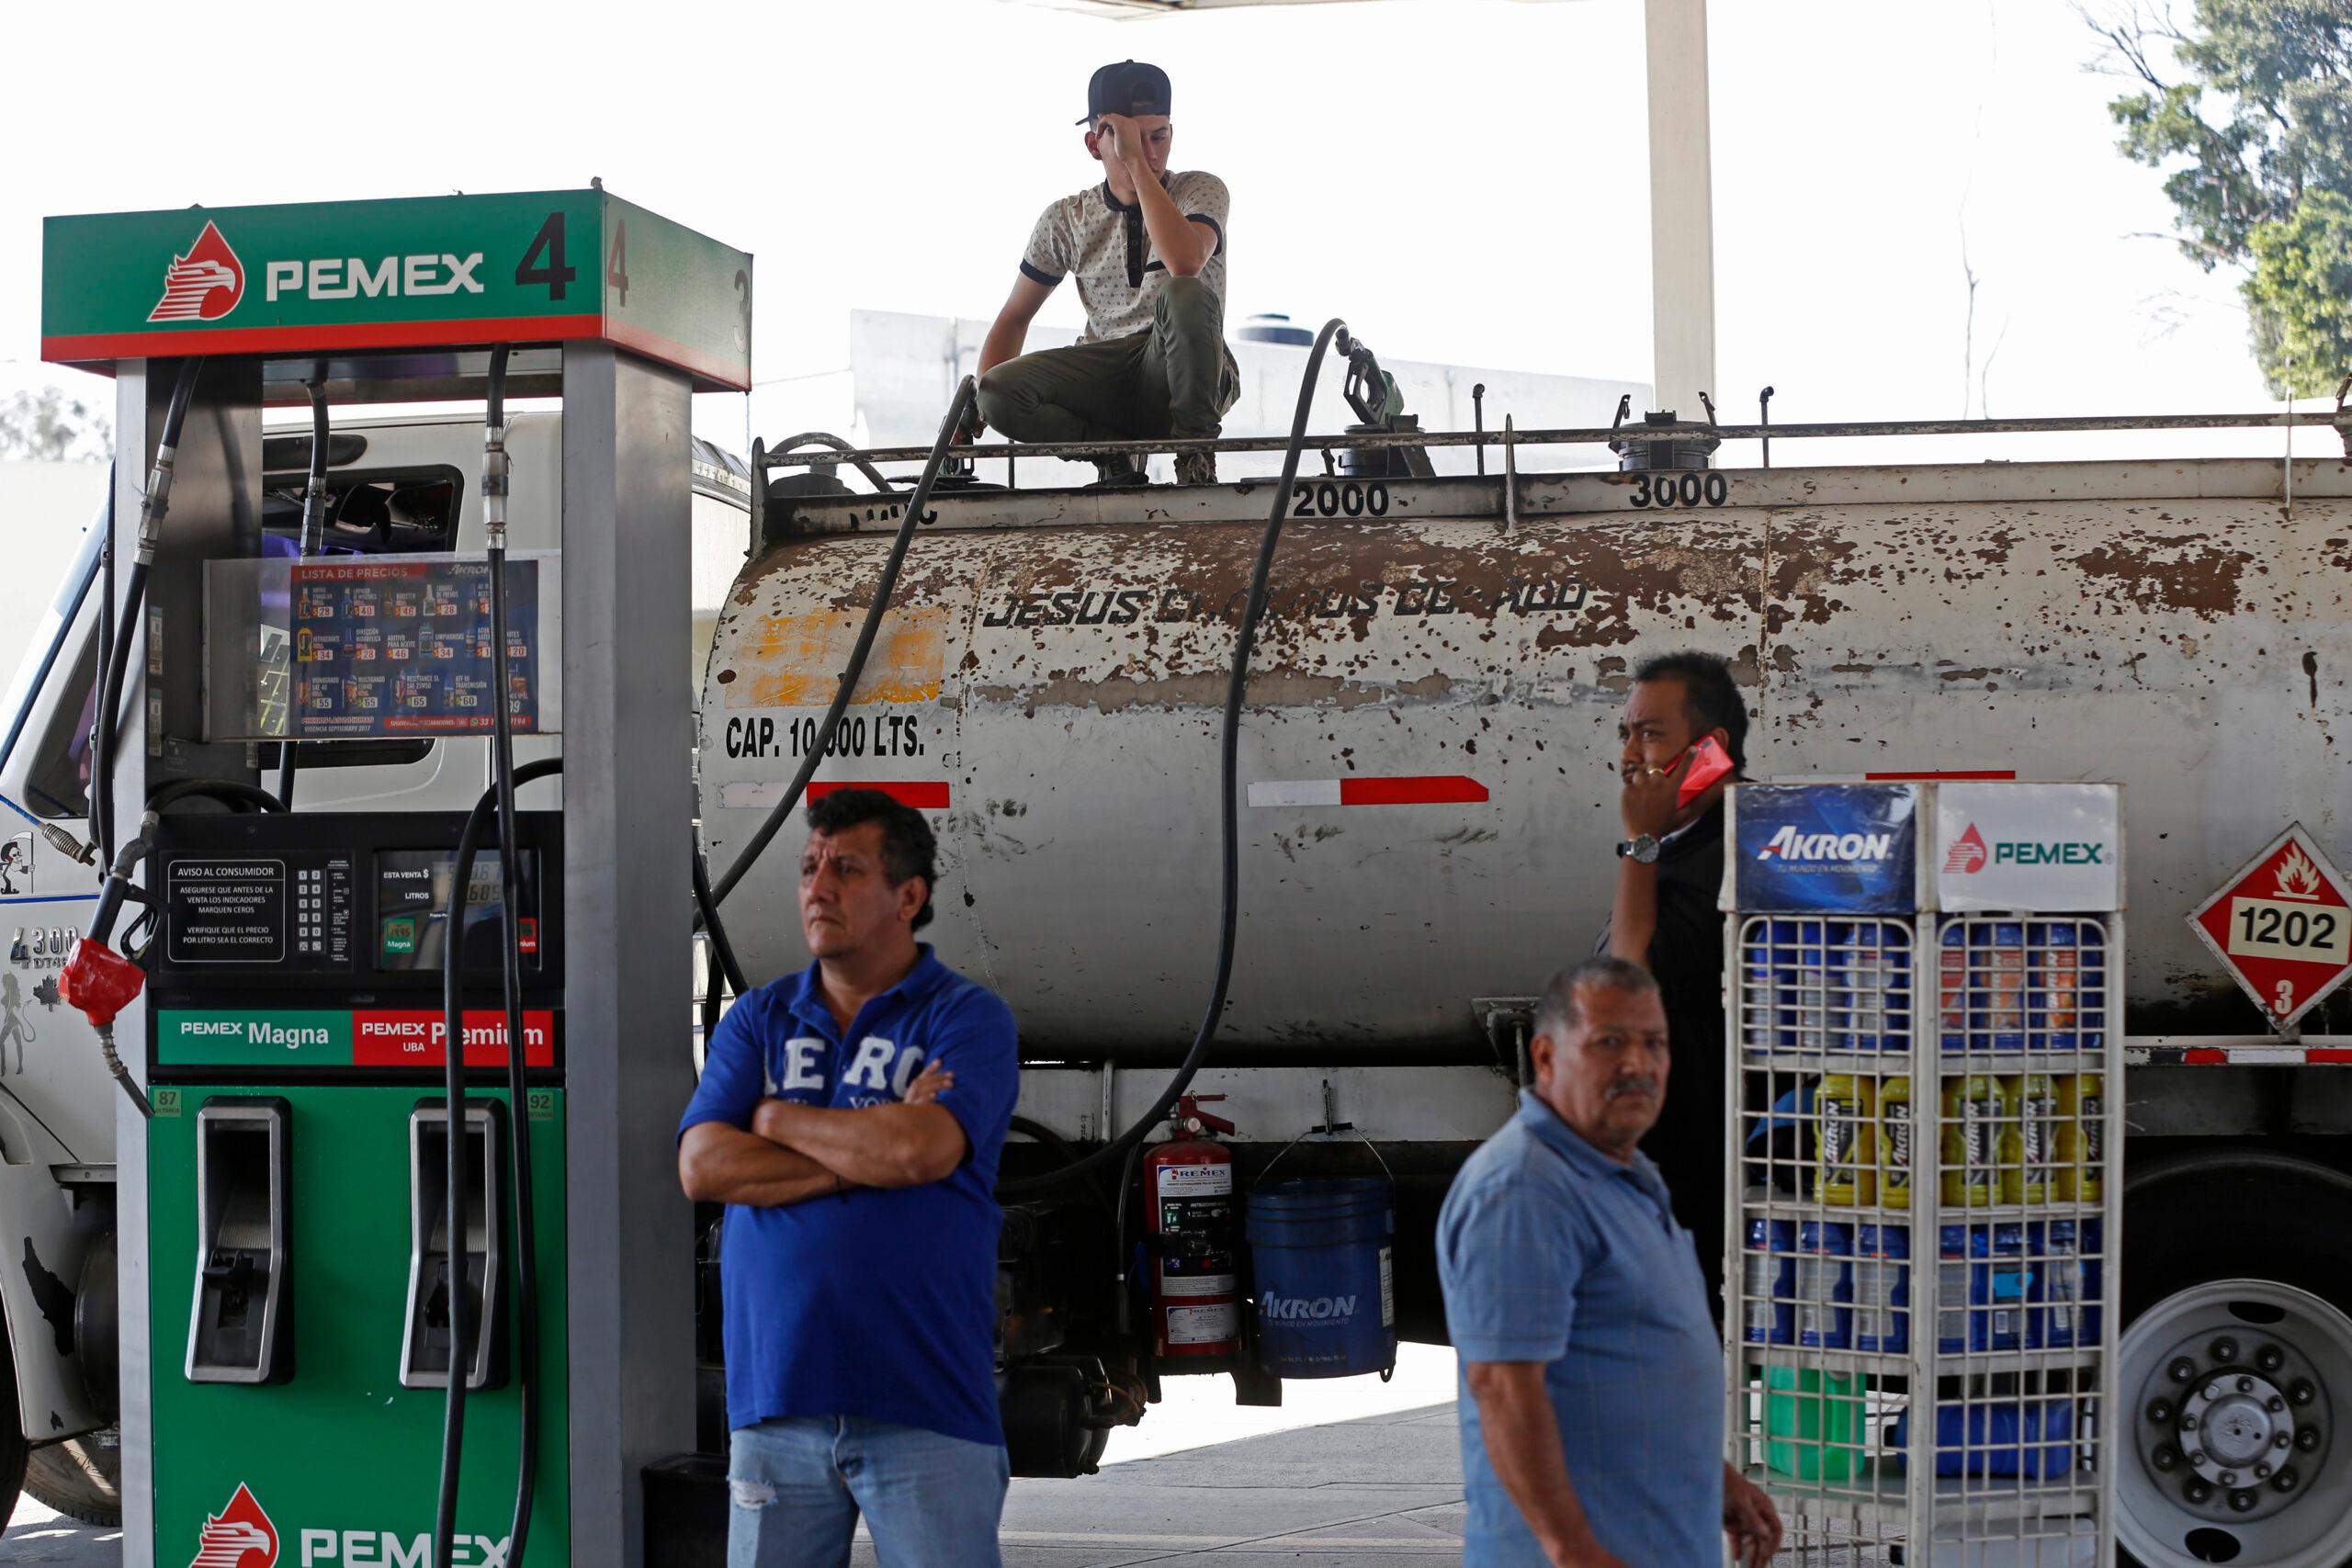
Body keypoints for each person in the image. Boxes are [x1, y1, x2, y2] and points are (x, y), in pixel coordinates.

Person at [677, 788, 1020, 1568]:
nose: (817, 887)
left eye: (846, 868)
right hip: (776, 1403)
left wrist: (773, 1119)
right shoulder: (758, 1018)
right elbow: (702, 1166)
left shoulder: (966, 1017)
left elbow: (923, 1152)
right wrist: (861, 1156)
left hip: (925, 1402)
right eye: (808, 867)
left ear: (908, 896)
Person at [1438, 957, 1782, 1568]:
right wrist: (1571, 1549)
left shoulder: (1621, 1172)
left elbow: (1631, 1362)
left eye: (1655, 1043)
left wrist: (1713, 1476)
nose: (1638, 1064)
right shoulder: (1523, 1191)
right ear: (1545, 1057)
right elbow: (1504, 1388)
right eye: (1609, 1043)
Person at [975, 59, 1238, 488]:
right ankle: (1111, 453)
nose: (1151, 154)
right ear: (1096, 145)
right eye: (1135, 141)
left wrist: (1134, 163)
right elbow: (1015, 316)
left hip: (1180, 371)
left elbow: (1185, 262)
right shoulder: (1067, 219)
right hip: (1106, 375)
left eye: (1160, 137)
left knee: (1183, 293)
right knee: (996, 391)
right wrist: (976, 406)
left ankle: (1195, 458)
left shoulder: (1199, 190)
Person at [1595, 649, 1747, 1307]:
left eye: (1651, 732)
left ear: (1710, 748)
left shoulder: (1726, 857)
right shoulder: (1680, 848)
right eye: (1626, 732)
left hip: (1693, 1196)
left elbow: (1624, 986)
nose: (1631, 752)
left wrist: (1639, 844)